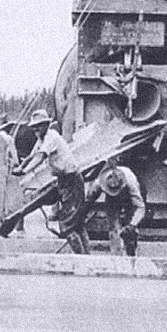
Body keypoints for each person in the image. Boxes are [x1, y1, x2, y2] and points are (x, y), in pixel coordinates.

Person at [13, 109, 89, 254]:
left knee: (67, 226)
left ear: (46, 125)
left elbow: (40, 157)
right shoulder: (41, 138)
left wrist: (24, 171)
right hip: (63, 180)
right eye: (34, 127)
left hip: (71, 181)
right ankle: (87, 258)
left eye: (39, 126)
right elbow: (32, 156)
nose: (36, 129)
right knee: (78, 225)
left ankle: (82, 260)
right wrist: (20, 167)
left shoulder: (51, 137)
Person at [84, 158, 145, 256]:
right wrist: (81, 214)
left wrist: (132, 224)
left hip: (129, 198)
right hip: (112, 199)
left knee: (129, 231)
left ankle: (131, 255)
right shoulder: (99, 182)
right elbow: (88, 201)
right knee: (113, 227)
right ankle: (116, 255)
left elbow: (140, 207)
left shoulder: (131, 182)